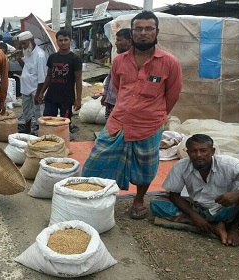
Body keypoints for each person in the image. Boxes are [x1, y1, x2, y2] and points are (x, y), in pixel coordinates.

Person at [82, 11, 183, 220]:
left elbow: (172, 95)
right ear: (133, 32)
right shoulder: (119, 61)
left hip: (149, 126)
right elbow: (118, 89)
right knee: (95, 160)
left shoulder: (170, 63)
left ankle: (138, 200)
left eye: (149, 29)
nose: (143, 33)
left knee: (145, 168)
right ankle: (95, 196)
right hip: (118, 122)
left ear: (156, 32)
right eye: (138, 29)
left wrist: (157, 117)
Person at [150, 134, 239, 246]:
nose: (198, 155)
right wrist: (194, 215)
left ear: (212, 151)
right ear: (188, 152)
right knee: (156, 205)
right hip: (200, 209)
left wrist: (237, 194)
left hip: (229, 209)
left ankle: (235, 227)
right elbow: (174, 195)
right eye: (194, 151)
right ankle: (213, 225)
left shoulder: (228, 164)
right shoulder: (180, 166)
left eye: (203, 150)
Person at [37, 30, 82, 136]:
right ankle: (47, 146)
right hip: (51, 97)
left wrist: (78, 99)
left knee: (64, 125)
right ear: (56, 41)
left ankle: (63, 146)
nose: (63, 42)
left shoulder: (75, 59)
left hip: (66, 98)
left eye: (66, 40)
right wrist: (41, 92)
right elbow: (49, 76)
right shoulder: (52, 57)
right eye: (60, 40)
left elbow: (78, 80)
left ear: (70, 41)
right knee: (47, 123)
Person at [14, 31, 47, 135]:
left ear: (31, 41)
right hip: (25, 88)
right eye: (21, 44)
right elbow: (26, 68)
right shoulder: (27, 52)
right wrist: (19, 58)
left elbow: (42, 78)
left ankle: (39, 132)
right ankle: (28, 130)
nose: (22, 46)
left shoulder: (40, 55)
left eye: (24, 43)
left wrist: (39, 94)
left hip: (35, 89)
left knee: (38, 112)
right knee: (26, 112)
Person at [100, 28, 131, 119]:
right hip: (111, 102)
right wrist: (105, 94)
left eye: (119, 40)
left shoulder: (135, 62)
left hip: (122, 104)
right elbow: (110, 78)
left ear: (129, 41)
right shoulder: (118, 60)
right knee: (109, 127)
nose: (116, 43)